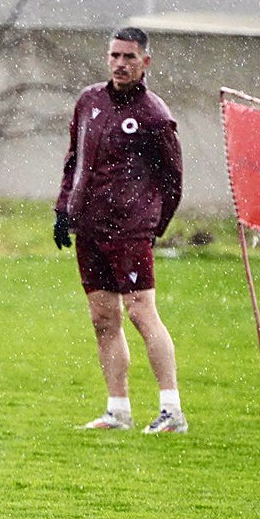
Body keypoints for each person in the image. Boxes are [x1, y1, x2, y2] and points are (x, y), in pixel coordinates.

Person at [54, 26, 186, 434]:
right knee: (102, 317)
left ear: (145, 61)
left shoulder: (154, 115)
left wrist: (152, 225)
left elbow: (173, 179)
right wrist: (63, 209)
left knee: (141, 312)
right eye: (115, 55)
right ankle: (118, 410)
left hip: (129, 230)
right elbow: (74, 160)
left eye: (129, 57)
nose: (120, 64)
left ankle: (172, 410)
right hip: (89, 227)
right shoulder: (89, 101)